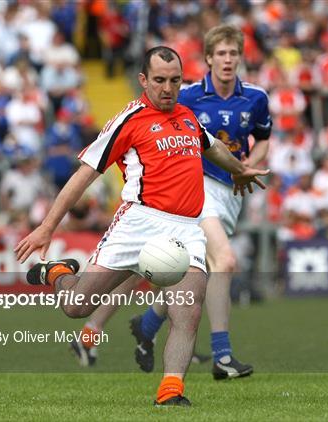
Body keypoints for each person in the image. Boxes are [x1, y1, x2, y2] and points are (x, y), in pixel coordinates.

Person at [15, 46, 268, 407]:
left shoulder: (188, 117)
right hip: (138, 223)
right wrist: (47, 227)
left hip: (186, 228)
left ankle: (171, 391)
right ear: (144, 80)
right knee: (76, 307)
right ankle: (56, 273)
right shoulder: (129, 120)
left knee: (188, 308)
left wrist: (239, 169)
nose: (168, 88)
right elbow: (84, 175)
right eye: (160, 80)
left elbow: (212, 149)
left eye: (175, 81)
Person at [72, 25, 272, 380]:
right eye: (221, 53)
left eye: (233, 53)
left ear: (241, 58)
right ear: (208, 59)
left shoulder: (256, 97)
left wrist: (246, 168)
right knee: (221, 260)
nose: (228, 60)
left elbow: (261, 140)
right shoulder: (187, 96)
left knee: (159, 269)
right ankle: (223, 355)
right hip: (195, 192)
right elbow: (157, 124)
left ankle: (132, 328)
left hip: (231, 193)